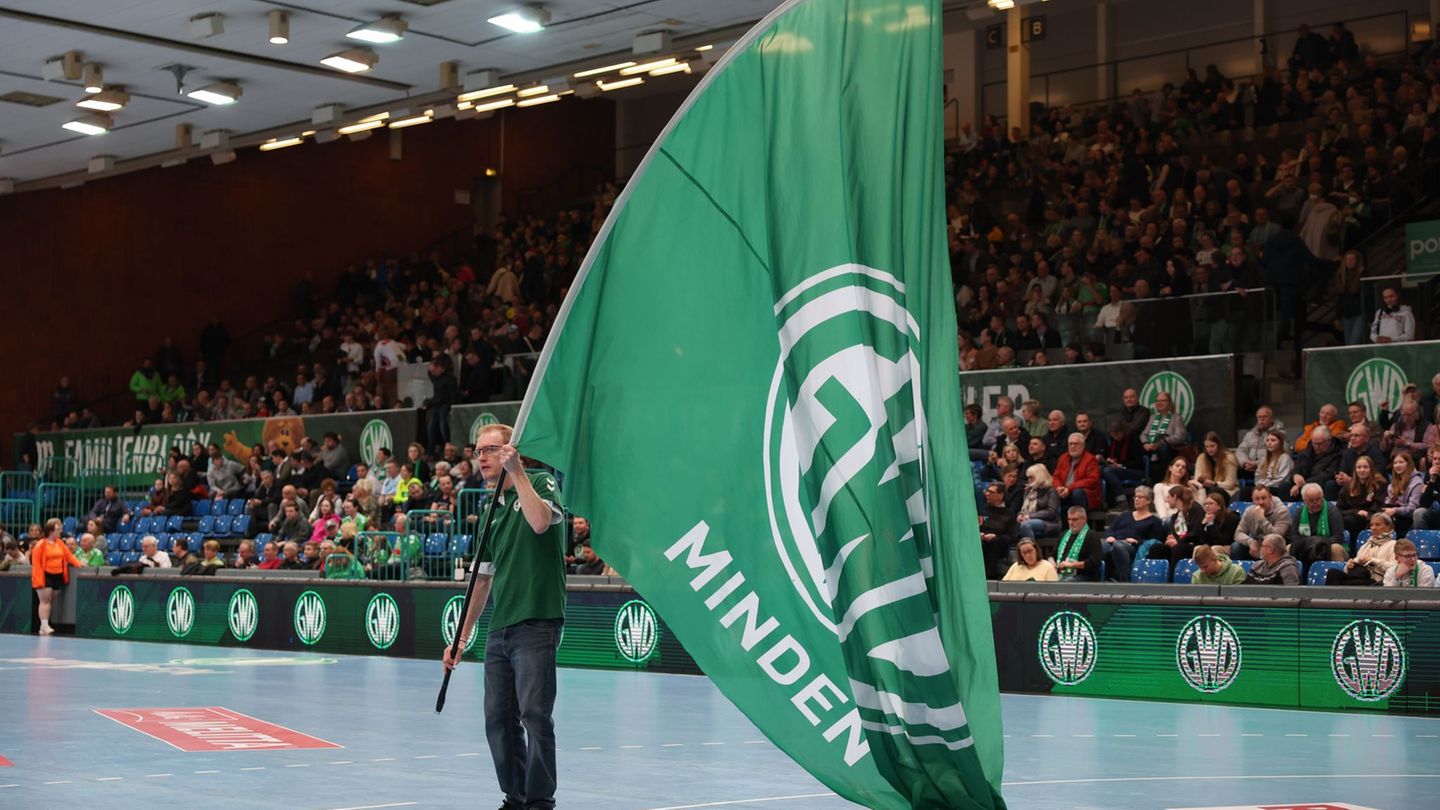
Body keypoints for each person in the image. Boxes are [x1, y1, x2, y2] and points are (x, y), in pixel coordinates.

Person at [445, 424, 567, 810]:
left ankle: (540, 800)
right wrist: (461, 638)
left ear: (510, 451)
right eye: (477, 451)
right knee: (497, 718)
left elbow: (540, 522)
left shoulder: (541, 483)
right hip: (501, 627)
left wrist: (518, 473)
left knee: (534, 714)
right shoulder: (489, 514)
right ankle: (514, 797)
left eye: (490, 449)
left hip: (537, 620)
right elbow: (481, 583)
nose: (480, 457)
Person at [1099, 486, 1163, 583]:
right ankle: (1102, 579)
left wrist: (1137, 541)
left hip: (1133, 547)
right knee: (1103, 546)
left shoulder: (1154, 521)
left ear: (1149, 500)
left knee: (1119, 546)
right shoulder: (1125, 515)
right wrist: (1110, 536)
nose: (1136, 499)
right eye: (1135, 497)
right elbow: (1110, 530)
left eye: (1140, 497)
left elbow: (1154, 541)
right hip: (1115, 541)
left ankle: (1124, 580)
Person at [30, 519, 83, 635]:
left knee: (51, 601)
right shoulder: (40, 545)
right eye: (58, 530)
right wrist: (39, 579)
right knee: (45, 600)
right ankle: (44, 625)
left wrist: (79, 564)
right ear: (51, 531)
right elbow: (36, 564)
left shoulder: (60, 543)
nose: (60, 532)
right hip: (45, 575)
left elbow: (69, 556)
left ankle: (44, 626)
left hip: (57, 575)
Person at [1326, 513, 1398, 586]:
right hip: (1361, 576)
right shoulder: (1366, 545)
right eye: (1371, 525)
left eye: (1377, 525)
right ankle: (1330, 596)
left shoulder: (1393, 545)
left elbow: (1394, 568)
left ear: (1388, 527)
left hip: (1377, 580)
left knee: (1345, 584)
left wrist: (1373, 560)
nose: (1373, 528)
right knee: (1333, 573)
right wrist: (1349, 565)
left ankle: (1337, 595)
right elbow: (1355, 566)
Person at [1288, 483, 1345, 570]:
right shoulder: (1299, 512)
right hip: (1306, 545)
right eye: (1311, 501)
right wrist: (1311, 542)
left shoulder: (1332, 511)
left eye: (1318, 499)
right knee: (1288, 548)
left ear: (1322, 497)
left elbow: (1339, 537)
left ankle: (1335, 579)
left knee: (1336, 548)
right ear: (1304, 500)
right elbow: (1294, 536)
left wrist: (1319, 543)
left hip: (1328, 545)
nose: (1315, 503)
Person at [1338, 455, 1387, 539]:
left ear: (1371, 469)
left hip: (1372, 517)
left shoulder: (1379, 484)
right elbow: (1339, 508)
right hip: (1352, 517)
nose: (1362, 470)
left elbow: (1379, 505)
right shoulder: (1348, 487)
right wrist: (1356, 511)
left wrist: (1369, 515)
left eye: (1365, 467)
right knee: (1348, 520)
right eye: (1359, 467)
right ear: (1355, 470)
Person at [1099, 418, 1145, 507]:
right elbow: (1111, 455)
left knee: (1108, 471)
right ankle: (1107, 502)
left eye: (1116, 435)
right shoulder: (1114, 441)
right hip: (1117, 469)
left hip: (1134, 469)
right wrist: (1109, 460)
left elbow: (1138, 461)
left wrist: (1122, 465)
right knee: (1100, 469)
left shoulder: (1133, 439)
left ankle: (1121, 498)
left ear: (1122, 432)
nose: (1115, 437)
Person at [1014, 463, 1062, 546]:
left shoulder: (1051, 492)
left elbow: (1051, 512)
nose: (1028, 480)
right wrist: (1020, 515)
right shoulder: (1028, 491)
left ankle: (1032, 552)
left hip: (1049, 522)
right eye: (1028, 477)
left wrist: (1030, 516)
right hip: (1030, 519)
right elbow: (1023, 509)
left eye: (1031, 477)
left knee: (1026, 525)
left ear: (1039, 476)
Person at [1052, 433, 1102, 511]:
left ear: (1083, 445)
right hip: (1064, 491)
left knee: (1077, 493)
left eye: (1076, 444)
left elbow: (1092, 480)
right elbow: (1056, 477)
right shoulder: (1063, 458)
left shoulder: (1090, 459)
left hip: (1084, 494)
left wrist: (1069, 489)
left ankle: (1082, 522)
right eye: (1070, 444)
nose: (1072, 446)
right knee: (1051, 492)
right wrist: (1059, 488)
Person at [1379, 453, 1425, 537]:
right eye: (1395, 463)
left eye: (1401, 462)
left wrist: (1395, 510)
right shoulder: (1392, 484)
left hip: (1408, 519)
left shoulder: (1417, 482)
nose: (1397, 465)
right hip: (1396, 516)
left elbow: (1413, 508)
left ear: (1408, 464)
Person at [977, 482, 1017, 579]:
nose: (987, 494)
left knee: (994, 543)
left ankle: (989, 577)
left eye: (991, 492)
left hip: (999, 544)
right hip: (980, 540)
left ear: (1000, 495)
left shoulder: (1009, 513)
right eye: (987, 491)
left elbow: (1012, 536)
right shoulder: (982, 510)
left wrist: (996, 537)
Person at [1159, 485, 1205, 568]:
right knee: (1157, 548)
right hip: (1181, 544)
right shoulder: (1175, 517)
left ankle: (1173, 579)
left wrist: (1179, 541)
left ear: (1175, 497)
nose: (1167, 500)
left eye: (1169, 497)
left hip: (1195, 544)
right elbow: (1176, 536)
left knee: (1178, 548)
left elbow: (1195, 533)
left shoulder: (1195, 508)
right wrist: (1173, 540)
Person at [1053, 506, 1102, 582]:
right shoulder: (1063, 534)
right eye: (1069, 519)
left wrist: (1072, 564)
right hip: (1060, 573)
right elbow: (1052, 554)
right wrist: (1052, 563)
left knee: (1066, 582)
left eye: (1075, 519)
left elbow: (1095, 562)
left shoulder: (1092, 536)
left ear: (1084, 520)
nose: (1071, 523)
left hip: (1084, 576)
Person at [1290, 426, 1341, 499]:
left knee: (1330, 485)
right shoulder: (1306, 452)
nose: (1316, 446)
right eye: (1314, 443)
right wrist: (1295, 476)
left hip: (1321, 484)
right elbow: (1296, 469)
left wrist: (1303, 484)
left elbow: (1327, 475)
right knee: (1285, 486)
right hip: (1303, 484)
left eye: (1320, 444)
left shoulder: (1338, 454)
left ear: (1329, 441)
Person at [1140, 391, 1187, 469]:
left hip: (1169, 449)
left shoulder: (1176, 418)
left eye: (1163, 400)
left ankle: (1165, 475)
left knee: (1163, 448)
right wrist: (1145, 443)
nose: (1159, 403)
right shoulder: (1153, 417)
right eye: (1157, 401)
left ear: (1169, 403)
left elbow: (1180, 436)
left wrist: (1162, 442)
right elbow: (1143, 434)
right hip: (1151, 447)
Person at [1235, 407, 1285, 474]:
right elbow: (1241, 450)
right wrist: (1244, 462)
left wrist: (1256, 464)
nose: (1262, 419)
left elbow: (1278, 454)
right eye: (1259, 417)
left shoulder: (1280, 434)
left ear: (1271, 419)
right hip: (1248, 467)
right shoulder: (1251, 434)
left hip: (1268, 469)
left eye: (1265, 417)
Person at [1193, 432, 1239, 498]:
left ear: (1219, 445)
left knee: (1213, 491)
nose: (1209, 449)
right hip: (1206, 489)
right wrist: (1201, 480)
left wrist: (1214, 484)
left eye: (1212, 446)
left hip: (1226, 490)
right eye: (1207, 446)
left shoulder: (1229, 458)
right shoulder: (1201, 458)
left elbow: (1230, 484)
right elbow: (1196, 479)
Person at [1253, 429, 1294, 497]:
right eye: (1267, 440)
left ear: (1280, 443)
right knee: (1245, 491)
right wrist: (1261, 486)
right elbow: (1257, 477)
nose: (1269, 443)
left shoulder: (1285, 458)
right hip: (1264, 488)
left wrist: (1264, 486)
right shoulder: (1264, 459)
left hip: (1277, 488)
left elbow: (1281, 479)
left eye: (1273, 440)